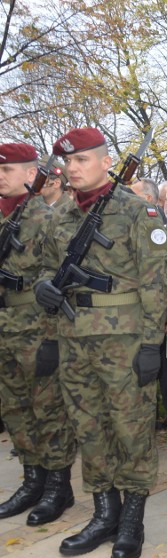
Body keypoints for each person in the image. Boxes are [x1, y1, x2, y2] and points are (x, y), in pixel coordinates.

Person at [34, 127, 167, 558]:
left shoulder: (137, 213)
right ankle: (103, 512)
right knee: (88, 427)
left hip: (123, 337)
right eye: (67, 162)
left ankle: (132, 519)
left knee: (131, 430)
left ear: (106, 161)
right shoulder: (60, 216)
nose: (72, 168)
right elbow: (46, 270)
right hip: (74, 338)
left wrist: (151, 345)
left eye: (82, 160)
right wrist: (43, 292)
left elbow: (156, 284)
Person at [0, 144, 77, 527]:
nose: (1, 176)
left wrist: (52, 337)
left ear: (33, 174)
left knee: (48, 407)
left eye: (9, 169)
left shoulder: (49, 220)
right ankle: (33, 479)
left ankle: (58, 486)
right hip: (3, 325)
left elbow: (57, 279)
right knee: (14, 407)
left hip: (36, 322)